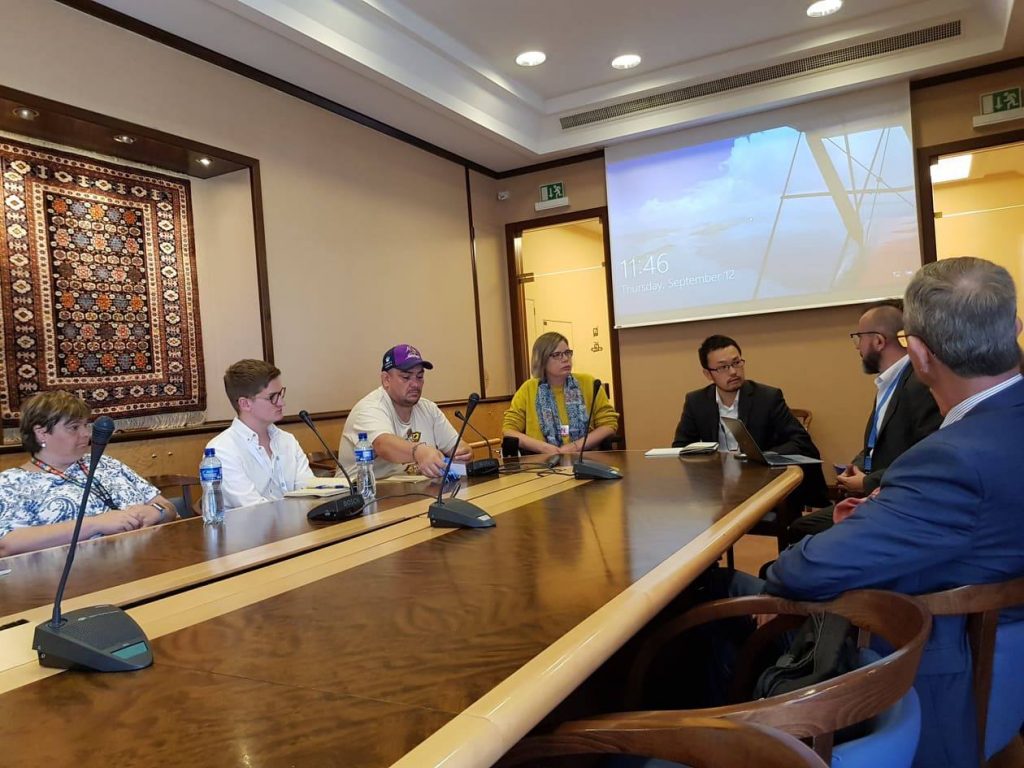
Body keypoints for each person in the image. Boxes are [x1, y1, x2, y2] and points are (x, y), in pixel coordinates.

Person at [763, 257, 1024, 768]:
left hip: (940, 684)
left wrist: (868, 521)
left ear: (920, 356)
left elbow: (805, 570)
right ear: (1013, 327)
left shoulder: (953, 458)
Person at [789, 300, 940, 539]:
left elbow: (926, 459)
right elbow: (878, 442)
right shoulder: (891, 381)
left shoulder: (918, 385)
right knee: (801, 527)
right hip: (876, 491)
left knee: (802, 530)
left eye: (859, 338)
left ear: (879, 341)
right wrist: (858, 465)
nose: (857, 347)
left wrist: (868, 482)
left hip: (896, 503)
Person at [0, 391, 175, 557]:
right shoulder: (12, 482)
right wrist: (94, 524)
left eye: (85, 425)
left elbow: (167, 506)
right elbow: (6, 544)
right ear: (42, 433)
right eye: (74, 427)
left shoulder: (107, 463)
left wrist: (156, 512)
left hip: (149, 560)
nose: (86, 434)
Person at [672, 335, 828, 507]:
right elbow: (680, 447)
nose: (733, 372)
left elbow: (802, 443)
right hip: (715, 488)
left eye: (736, 363)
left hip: (762, 484)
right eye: (723, 367)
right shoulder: (696, 401)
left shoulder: (767, 397)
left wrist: (761, 457)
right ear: (708, 374)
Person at [340, 344, 472, 480]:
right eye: (406, 377)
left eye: (419, 377)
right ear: (386, 379)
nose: (415, 384)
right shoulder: (369, 408)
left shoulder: (429, 408)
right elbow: (383, 445)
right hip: (362, 493)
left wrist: (463, 453)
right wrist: (418, 452)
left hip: (414, 491)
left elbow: (456, 447)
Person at [207, 359, 315, 509]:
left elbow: (310, 492)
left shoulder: (287, 440)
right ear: (245, 404)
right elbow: (255, 510)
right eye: (273, 397)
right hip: (249, 531)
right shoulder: (222, 451)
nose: (282, 403)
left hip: (300, 527)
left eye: (281, 394)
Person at [502, 332, 619, 455]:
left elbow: (609, 424)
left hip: (586, 458)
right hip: (542, 462)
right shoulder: (528, 389)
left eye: (567, 353)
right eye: (557, 355)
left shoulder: (588, 383)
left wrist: (576, 447)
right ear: (542, 359)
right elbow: (509, 430)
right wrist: (544, 448)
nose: (565, 359)